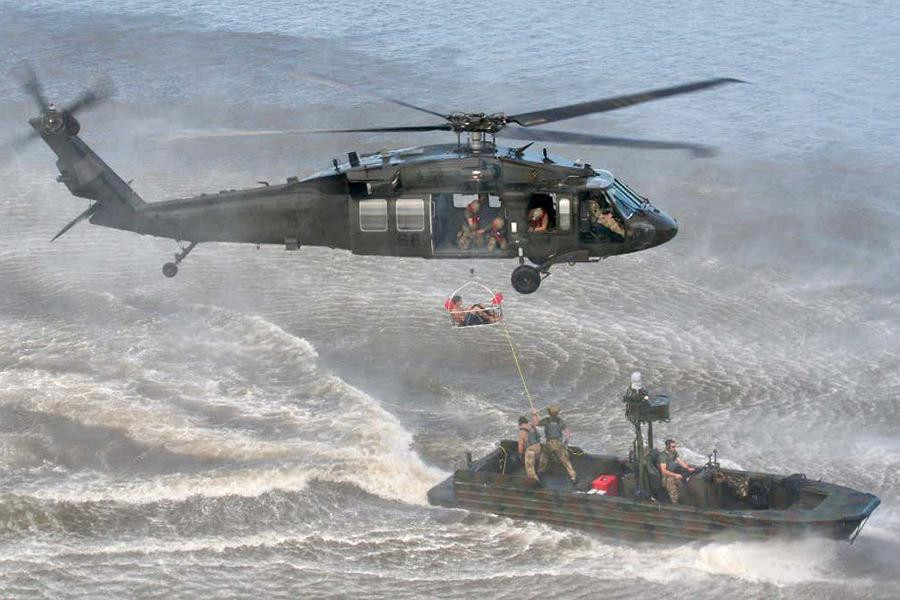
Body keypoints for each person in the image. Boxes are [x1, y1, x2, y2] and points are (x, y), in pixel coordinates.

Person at [532, 403, 577, 483]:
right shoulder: (560, 421)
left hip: (549, 443)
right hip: (559, 443)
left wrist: (534, 415)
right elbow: (568, 432)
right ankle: (573, 476)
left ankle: (540, 472)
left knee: (544, 457)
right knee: (565, 460)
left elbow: (536, 423)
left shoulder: (546, 420)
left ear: (549, 412)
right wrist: (566, 442)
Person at [658, 438, 695, 505]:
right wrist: (675, 475)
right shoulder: (663, 456)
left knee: (683, 485)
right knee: (673, 491)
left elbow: (679, 461)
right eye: (673, 446)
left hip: (672, 472)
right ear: (667, 447)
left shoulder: (673, 452)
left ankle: (683, 500)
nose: (674, 448)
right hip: (665, 476)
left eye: (675, 446)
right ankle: (674, 505)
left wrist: (688, 468)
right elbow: (663, 471)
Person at [517, 416, 542, 480]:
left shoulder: (522, 432)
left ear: (520, 423)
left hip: (531, 450)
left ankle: (535, 482)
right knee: (535, 463)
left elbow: (520, 445)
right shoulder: (532, 426)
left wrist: (520, 454)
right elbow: (538, 422)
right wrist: (535, 414)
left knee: (529, 469)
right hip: (538, 447)